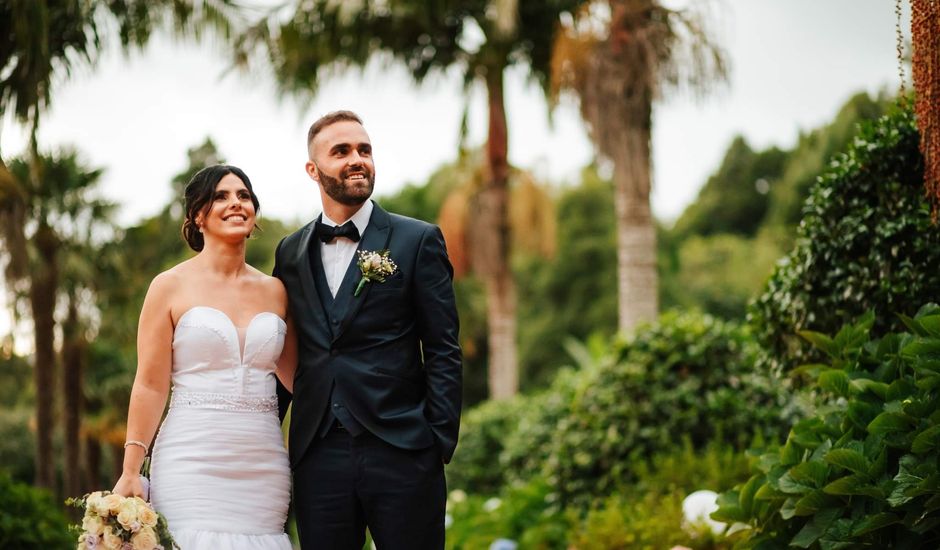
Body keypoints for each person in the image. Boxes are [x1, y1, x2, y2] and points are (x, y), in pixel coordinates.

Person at [273, 110, 462, 549]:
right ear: (313, 169)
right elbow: (287, 349)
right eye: (341, 151)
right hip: (318, 456)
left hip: (403, 449)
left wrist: (436, 441)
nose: (357, 159)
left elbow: (442, 348)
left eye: (364, 149)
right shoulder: (290, 253)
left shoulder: (417, 240)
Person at [112, 164, 296, 549]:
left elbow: (300, 378)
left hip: (262, 462)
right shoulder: (169, 286)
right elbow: (149, 383)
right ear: (198, 215)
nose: (236, 203)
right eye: (222, 196)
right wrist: (131, 469)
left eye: (244, 196)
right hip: (190, 458)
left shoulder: (277, 292)